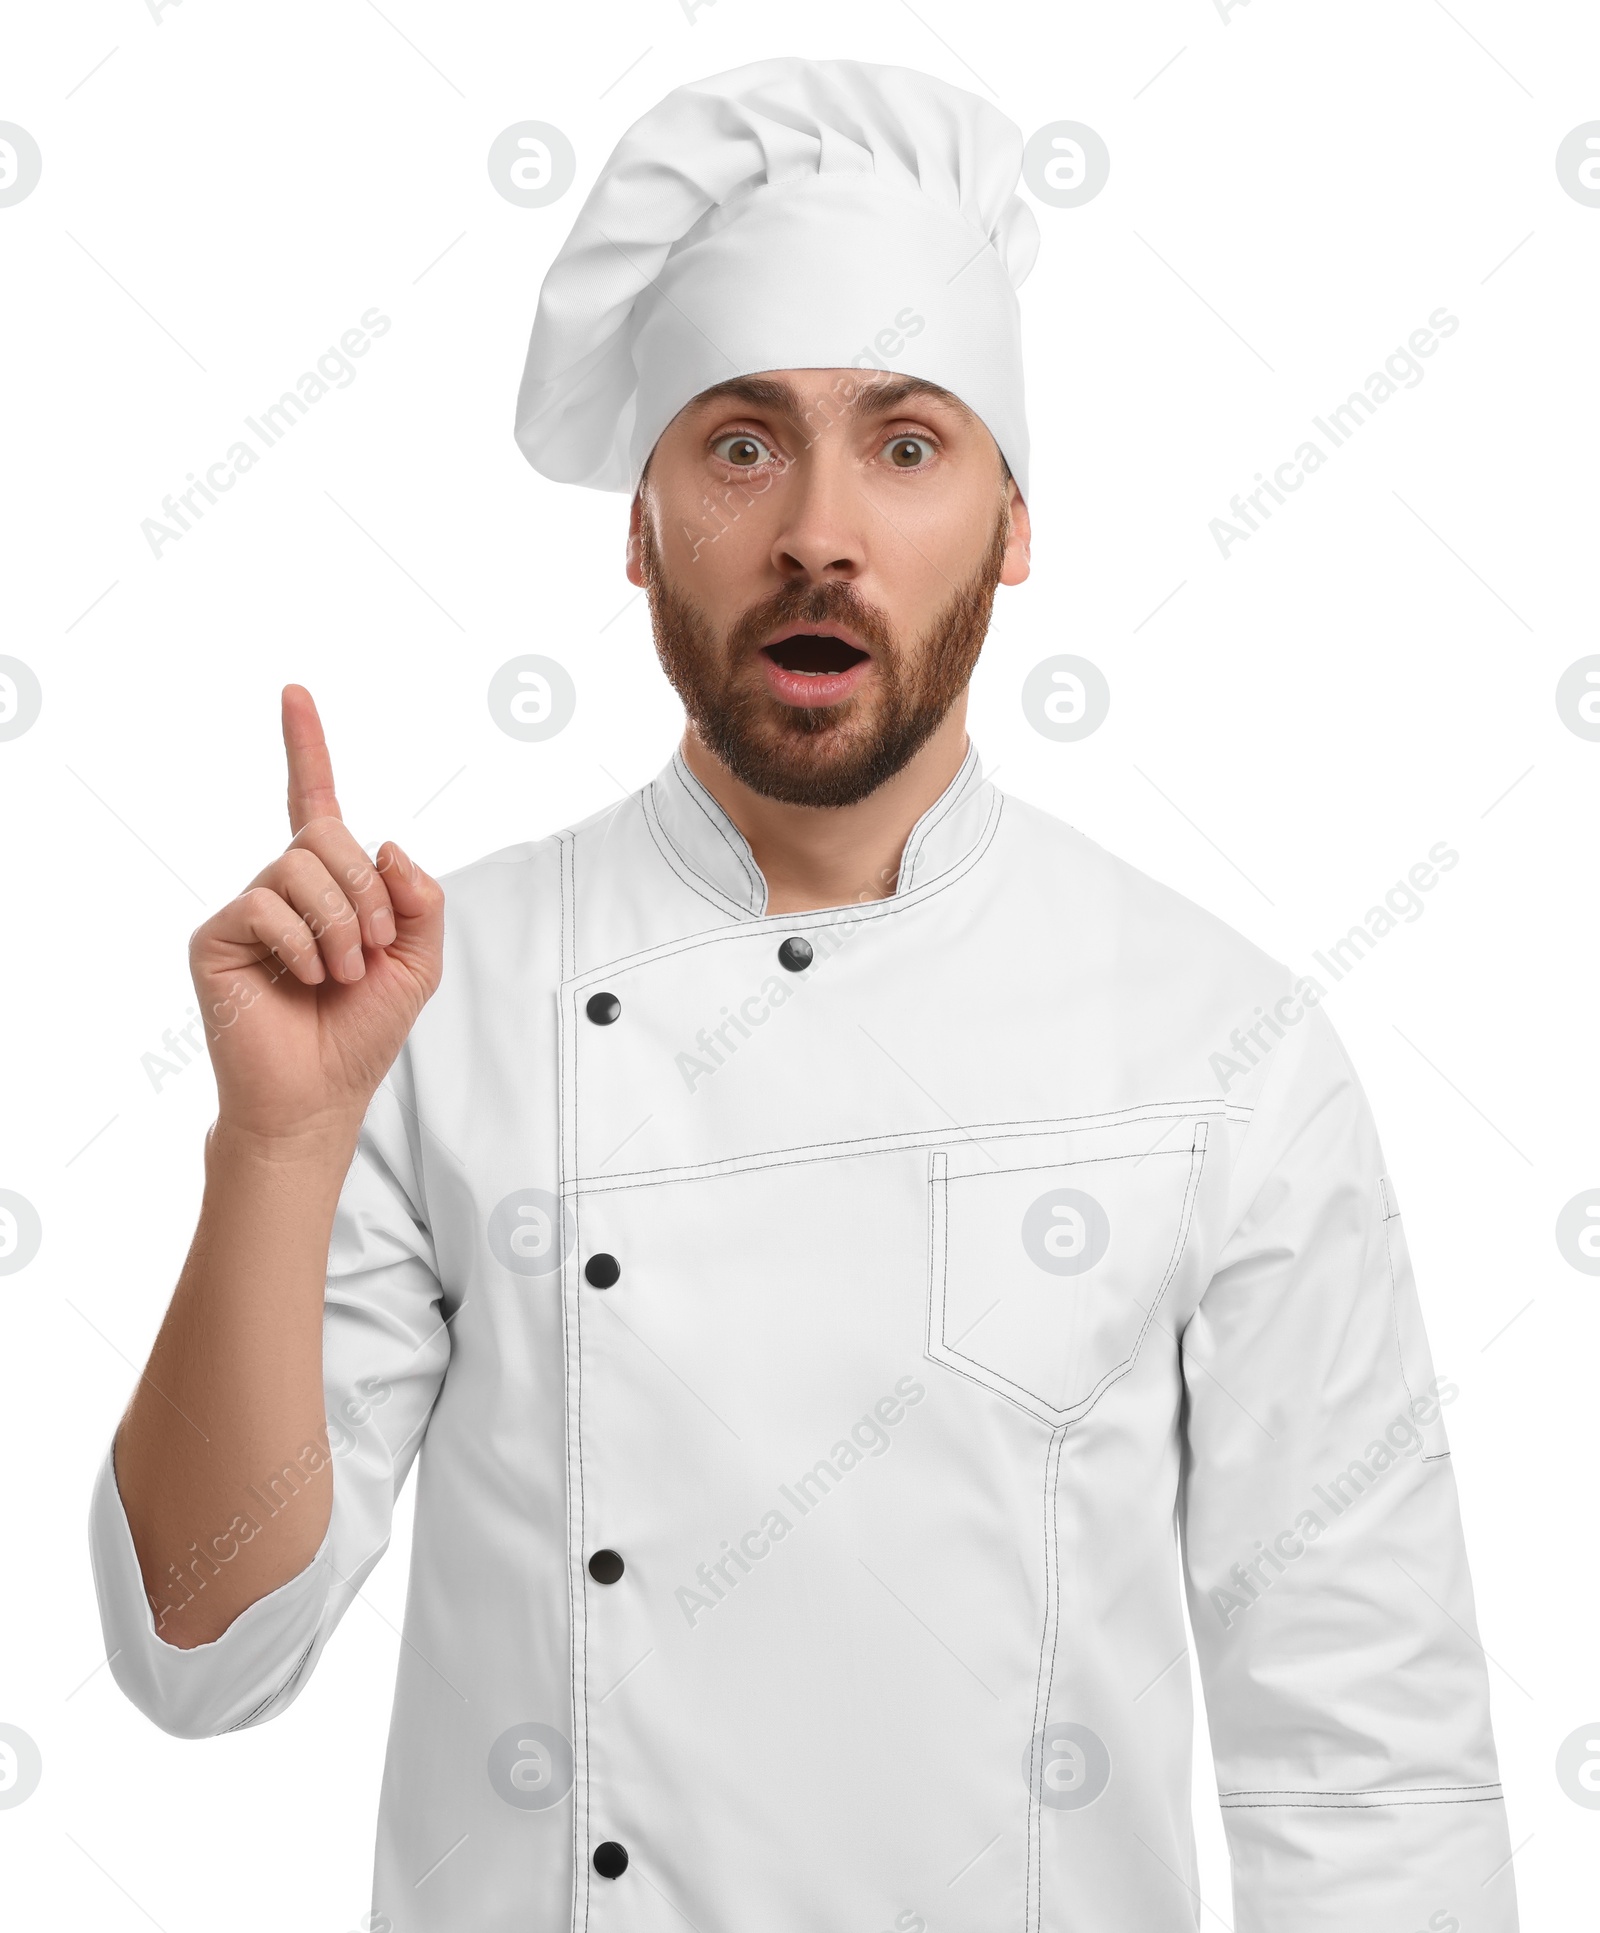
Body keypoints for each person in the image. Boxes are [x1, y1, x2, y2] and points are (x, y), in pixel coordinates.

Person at [90, 55, 1518, 1933]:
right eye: (742, 444)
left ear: (1014, 522)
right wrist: (275, 1140)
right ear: (643, 525)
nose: (820, 532)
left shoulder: (1219, 1046)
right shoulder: (436, 995)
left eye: (909, 445)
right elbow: (201, 1643)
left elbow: (1366, 1768)